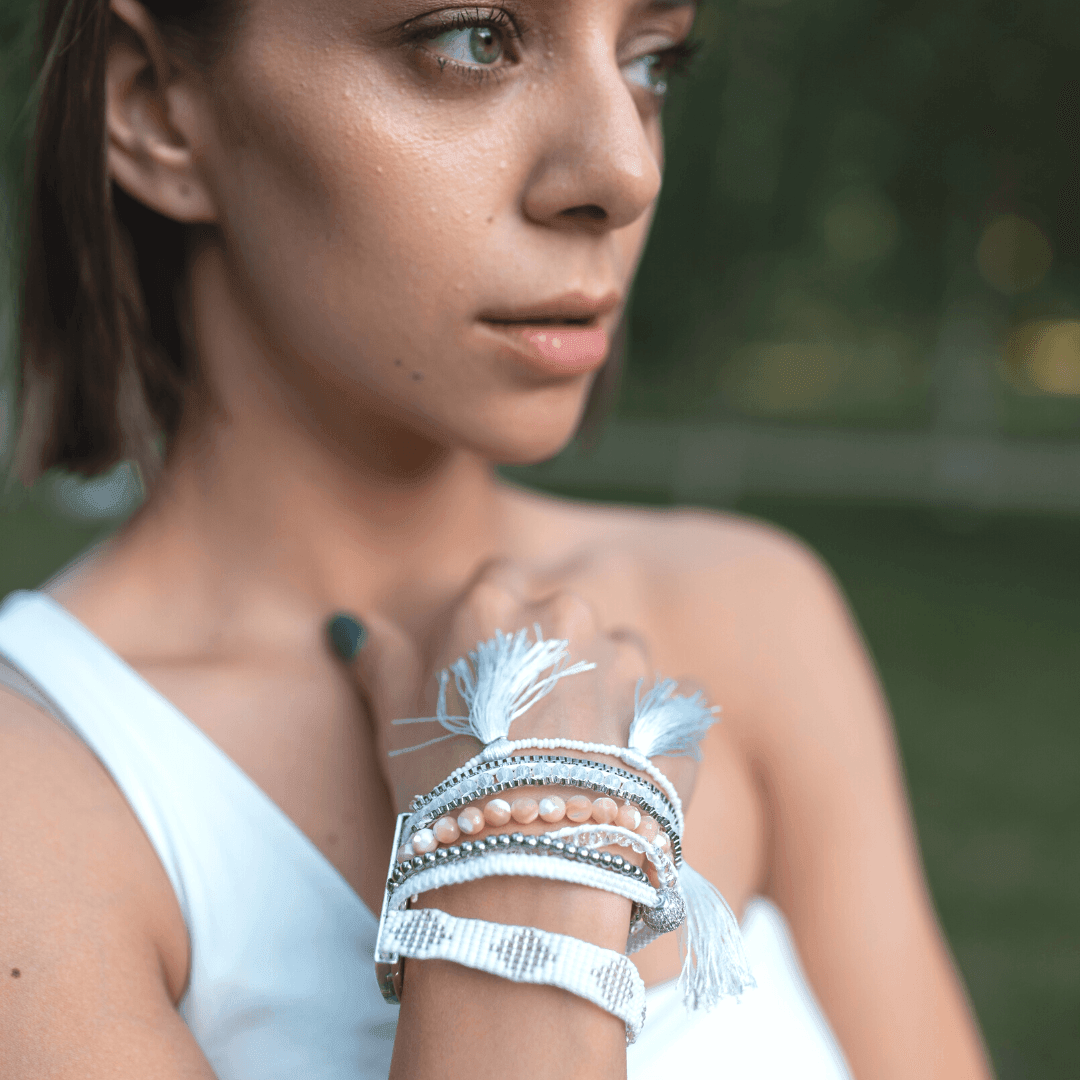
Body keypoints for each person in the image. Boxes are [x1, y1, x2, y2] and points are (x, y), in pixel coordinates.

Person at [0, 1, 993, 1077]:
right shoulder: (35, 806)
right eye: (473, 40)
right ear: (156, 109)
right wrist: (525, 887)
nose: (625, 170)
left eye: (649, 61)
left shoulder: (757, 607)